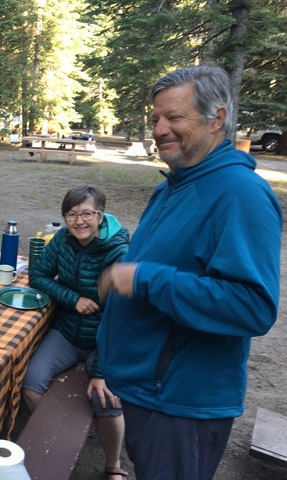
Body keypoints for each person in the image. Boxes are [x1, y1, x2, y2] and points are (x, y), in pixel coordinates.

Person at [97, 66, 282, 480]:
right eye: (156, 119)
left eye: (174, 117)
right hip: (149, 390)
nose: (160, 129)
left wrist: (145, 278)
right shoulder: (173, 185)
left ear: (216, 118)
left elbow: (253, 306)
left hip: (182, 403)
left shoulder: (241, 194)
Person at [24, 185, 130, 480]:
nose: (78, 221)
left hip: (104, 340)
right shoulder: (62, 239)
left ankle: (113, 464)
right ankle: (61, 440)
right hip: (67, 332)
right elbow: (38, 276)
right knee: (30, 383)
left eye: (87, 213)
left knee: (106, 400)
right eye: (71, 214)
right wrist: (73, 299)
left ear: (101, 215)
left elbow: (122, 318)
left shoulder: (119, 251)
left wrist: (100, 370)